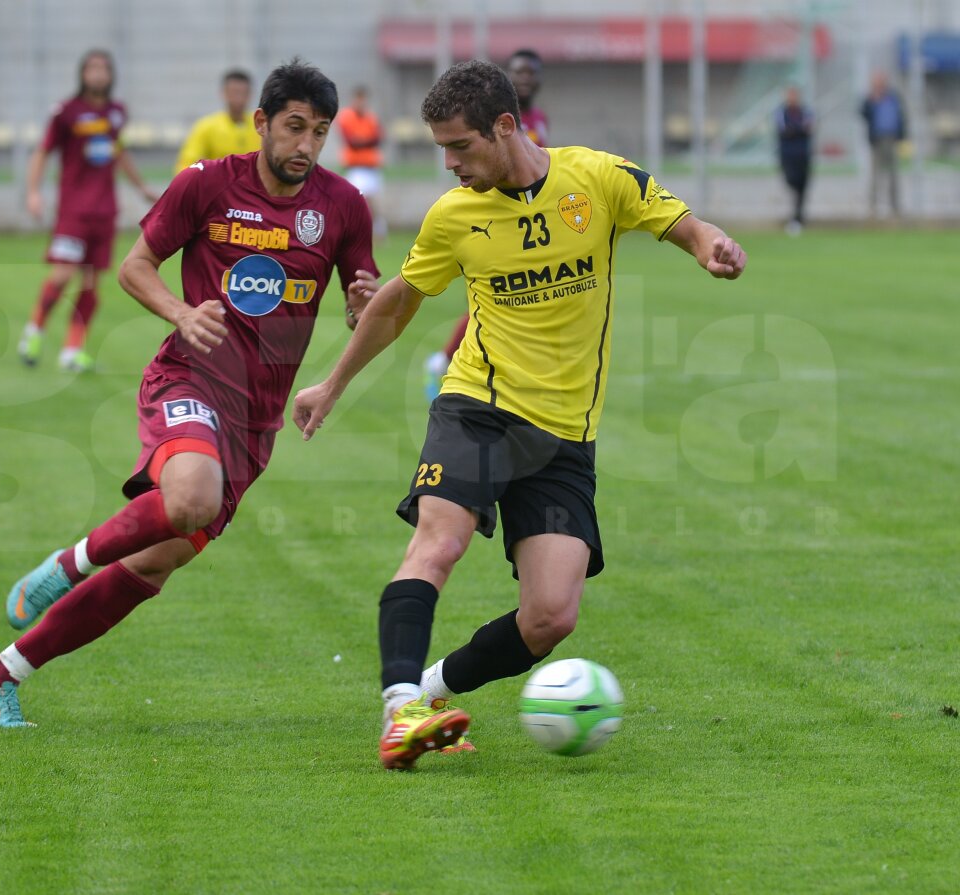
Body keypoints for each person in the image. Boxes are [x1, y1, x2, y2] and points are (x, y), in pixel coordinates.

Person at [293, 60, 747, 770]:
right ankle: (397, 709)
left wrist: (710, 247)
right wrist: (332, 382)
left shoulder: (597, 179)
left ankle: (430, 694)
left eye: (460, 147)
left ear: (506, 127)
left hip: (566, 434)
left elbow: (681, 222)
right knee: (438, 544)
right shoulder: (454, 216)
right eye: (441, 149)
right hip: (480, 407)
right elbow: (397, 303)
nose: (450, 165)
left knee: (549, 616)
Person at [0, 60, 378, 728]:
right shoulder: (206, 185)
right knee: (189, 498)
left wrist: (363, 305)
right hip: (189, 376)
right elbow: (134, 268)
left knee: (155, 563)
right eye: (295, 127)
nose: (306, 145)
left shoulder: (342, 205)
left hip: (256, 420)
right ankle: (68, 563)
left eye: (320, 133)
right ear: (262, 124)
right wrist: (182, 314)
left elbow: (367, 304)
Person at [18, 49, 158, 373]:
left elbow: (118, 150)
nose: (98, 74)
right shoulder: (66, 112)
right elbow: (42, 152)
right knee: (64, 274)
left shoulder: (116, 112)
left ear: (111, 75)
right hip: (73, 211)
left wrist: (140, 186)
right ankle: (34, 330)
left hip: (104, 211)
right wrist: (34, 192)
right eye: (92, 68)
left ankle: (72, 350)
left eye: (103, 68)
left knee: (91, 283)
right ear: (82, 73)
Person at [424, 48, 551, 399]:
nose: (526, 78)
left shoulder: (538, 118)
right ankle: (447, 360)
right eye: (519, 72)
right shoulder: (488, 115)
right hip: (495, 217)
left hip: (529, 218)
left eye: (531, 72)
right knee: (494, 297)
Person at [174, 69, 261, 173]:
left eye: (243, 93)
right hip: (219, 186)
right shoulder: (206, 126)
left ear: (250, 94)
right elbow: (186, 164)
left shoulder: (261, 126)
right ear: (223, 93)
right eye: (234, 92)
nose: (238, 98)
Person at [336, 85, 386, 240]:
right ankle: (360, 232)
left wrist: (362, 141)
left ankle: (378, 232)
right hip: (356, 167)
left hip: (371, 165)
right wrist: (366, 141)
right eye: (358, 99)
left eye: (363, 99)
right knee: (361, 200)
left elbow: (378, 139)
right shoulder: (346, 117)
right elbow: (351, 141)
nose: (361, 103)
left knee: (373, 203)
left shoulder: (371, 118)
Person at [859, 71, 906, 219]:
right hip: (877, 139)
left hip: (891, 139)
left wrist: (902, 134)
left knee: (893, 174)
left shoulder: (893, 97)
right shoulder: (871, 99)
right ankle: (873, 206)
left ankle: (895, 206)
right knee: (875, 174)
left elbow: (901, 116)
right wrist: (872, 101)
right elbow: (862, 113)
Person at [776, 85, 813, 234]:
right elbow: (785, 131)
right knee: (791, 182)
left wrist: (795, 130)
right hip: (788, 155)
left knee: (802, 188)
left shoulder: (805, 112)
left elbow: (808, 129)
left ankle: (798, 218)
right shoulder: (781, 113)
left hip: (803, 155)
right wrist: (798, 129)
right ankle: (794, 217)